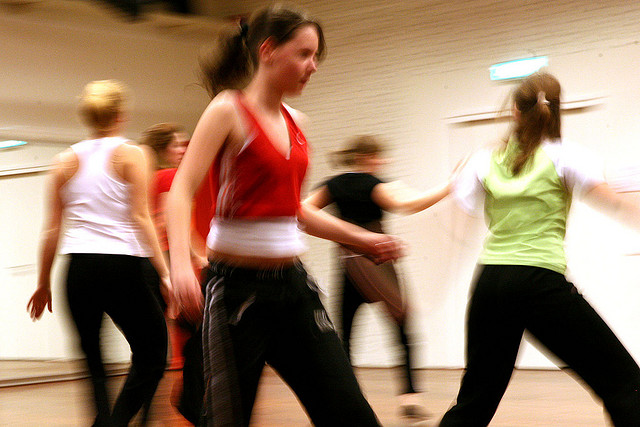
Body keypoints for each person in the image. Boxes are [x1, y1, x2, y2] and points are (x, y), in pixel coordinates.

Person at [166, 4, 404, 426]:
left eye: (316, 57)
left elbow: (293, 210)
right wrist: (181, 267)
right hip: (237, 294)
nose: (312, 66)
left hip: (294, 289)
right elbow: (181, 190)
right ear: (269, 50)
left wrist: (362, 239)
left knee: (350, 414)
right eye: (304, 54)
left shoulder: (297, 122)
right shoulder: (228, 110)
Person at [439, 71, 640, 426]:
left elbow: (456, 223)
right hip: (539, 284)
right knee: (626, 384)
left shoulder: (483, 160)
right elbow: (618, 205)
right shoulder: (567, 156)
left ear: (515, 110)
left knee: (475, 401)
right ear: (556, 111)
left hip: (490, 284)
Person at [27, 80, 170, 427]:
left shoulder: (62, 162)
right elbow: (140, 216)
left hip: (78, 270)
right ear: (121, 115)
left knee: (94, 363)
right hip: (121, 267)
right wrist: (164, 272)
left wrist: (43, 282)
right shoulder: (133, 154)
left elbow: (51, 229)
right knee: (152, 355)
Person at [303, 134, 459, 419]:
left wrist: (341, 232)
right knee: (402, 329)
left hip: (348, 269)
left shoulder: (333, 185)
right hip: (378, 265)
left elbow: (304, 209)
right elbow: (409, 204)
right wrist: (448, 187)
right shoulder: (372, 185)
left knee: (345, 338)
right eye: (377, 157)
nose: (381, 162)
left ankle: (345, 398)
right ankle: (409, 399)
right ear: (365, 158)